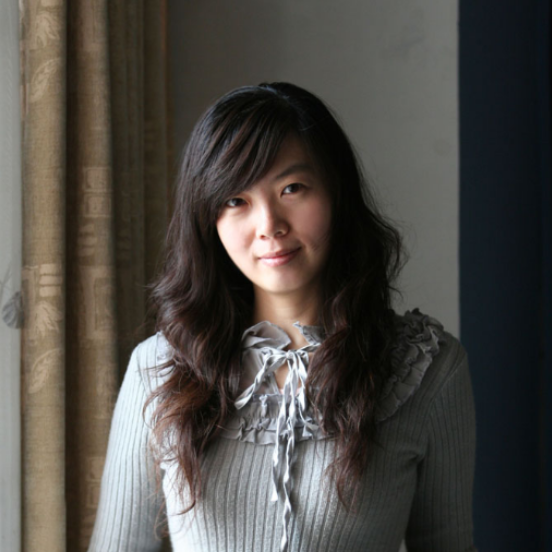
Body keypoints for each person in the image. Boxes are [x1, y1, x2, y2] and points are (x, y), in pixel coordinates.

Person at [88, 82, 477, 552]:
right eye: (236, 200)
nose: (269, 225)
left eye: (292, 188)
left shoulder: (425, 372)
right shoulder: (158, 369)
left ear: (336, 193)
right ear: (208, 219)